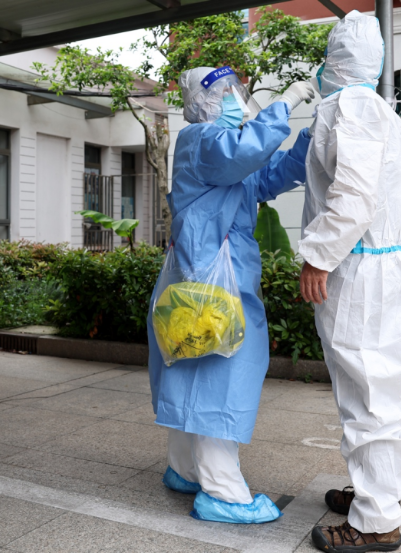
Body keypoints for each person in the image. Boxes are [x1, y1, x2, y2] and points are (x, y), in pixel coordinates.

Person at [147, 65, 314, 524]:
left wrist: (308, 139)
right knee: (219, 376)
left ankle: (184, 468)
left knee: (191, 371)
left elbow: (268, 174)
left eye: (234, 90)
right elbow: (245, 152)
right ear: (201, 103)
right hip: (210, 287)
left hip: (206, 281)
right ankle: (222, 491)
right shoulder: (200, 141)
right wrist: (286, 102)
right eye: (224, 92)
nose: (234, 98)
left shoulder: (223, 151)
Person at [298, 11, 401, 552]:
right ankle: (379, 492)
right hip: (384, 266)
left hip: (361, 270)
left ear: (336, 59)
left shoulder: (348, 107)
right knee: (379, 392)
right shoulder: (382, 112)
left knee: (368, 397)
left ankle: (376, 522)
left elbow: (353, 196)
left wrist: (318, 257)